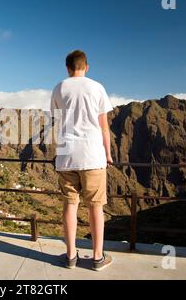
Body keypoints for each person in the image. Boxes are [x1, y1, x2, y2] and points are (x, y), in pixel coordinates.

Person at [50, 50, 114, 271]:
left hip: (66, 155)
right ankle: (97, 258)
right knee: (95, 207)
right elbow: (104, 126)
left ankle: (70, 256)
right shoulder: (97, 88)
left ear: (67, 68)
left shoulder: (59, 88)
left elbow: (57, 124)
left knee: (70, 205)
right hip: (92, 155)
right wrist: (108, 154)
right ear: (86, 67)